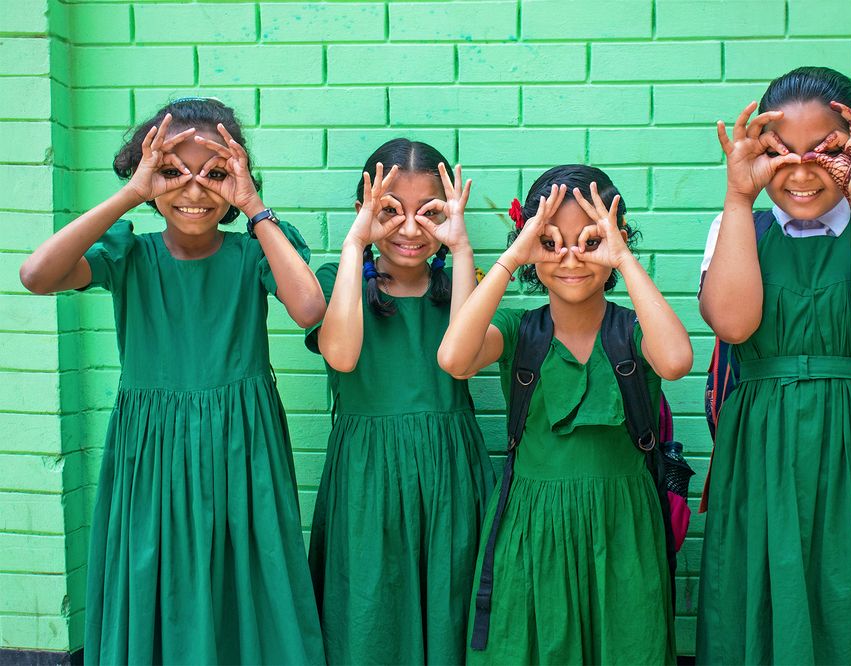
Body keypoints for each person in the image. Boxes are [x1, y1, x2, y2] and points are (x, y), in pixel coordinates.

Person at [18, 97, 327, 664]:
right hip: (152, 450)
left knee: (245, 571)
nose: (194, 189)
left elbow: (310, 308)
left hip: (242, 446)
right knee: (155, 571)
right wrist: (130, 194)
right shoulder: (130, 254)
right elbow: (37, 275)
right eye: (172, 171)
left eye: (214, 174)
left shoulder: (254, 251)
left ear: (237, 177)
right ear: (147, 173)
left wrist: (254, 206)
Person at [696, 66, 851, 664]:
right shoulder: (736, 227)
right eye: (780, 153)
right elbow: (733, 324)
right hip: (762, 444)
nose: (801, 172)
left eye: (826, 152)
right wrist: (738, 195)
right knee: (759, 598)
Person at [438, 165, 692, 665]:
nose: (572, 257)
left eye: (590, 241)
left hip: (623, 531)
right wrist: (514, 256)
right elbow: (454, 358)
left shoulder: (632, 331)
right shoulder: (519, 331)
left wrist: (622, 257)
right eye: (551, 242)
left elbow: (677, 361)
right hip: (531, 529)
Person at [307, 138, 494, 664]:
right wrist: (354, 245)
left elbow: (464, 357)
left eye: (429, 212)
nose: (410, 229)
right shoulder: (336, 280)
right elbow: (342, 355)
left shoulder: (465, 283)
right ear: (363, 209)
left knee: (451, 607)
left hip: (449, 471)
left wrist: (461, 251)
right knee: (370, 614)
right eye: (390, 210)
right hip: (367, 473)